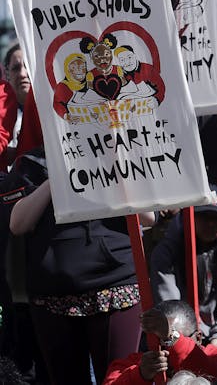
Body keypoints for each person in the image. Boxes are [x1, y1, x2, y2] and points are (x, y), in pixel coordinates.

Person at [8, 147, 143, 384]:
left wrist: (115, 164)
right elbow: (18, 224)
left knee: (121, 378)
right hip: (53, 294)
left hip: (115, 286)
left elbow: (149, 216)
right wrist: (57, 177)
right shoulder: (31, 163)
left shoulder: (121, 151)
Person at [151, 185, 217, 348]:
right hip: (180, 338)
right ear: (189, 216)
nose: (211, 224)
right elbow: (170, 307)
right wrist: (189, 338)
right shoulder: (167, 252)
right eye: (204, 216)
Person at [103, 300, 217, 384]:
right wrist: (141, 374)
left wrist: (173, 338)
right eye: (162, 341)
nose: (167, 350)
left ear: (198, 337)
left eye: (177, 338)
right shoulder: (140, 363)